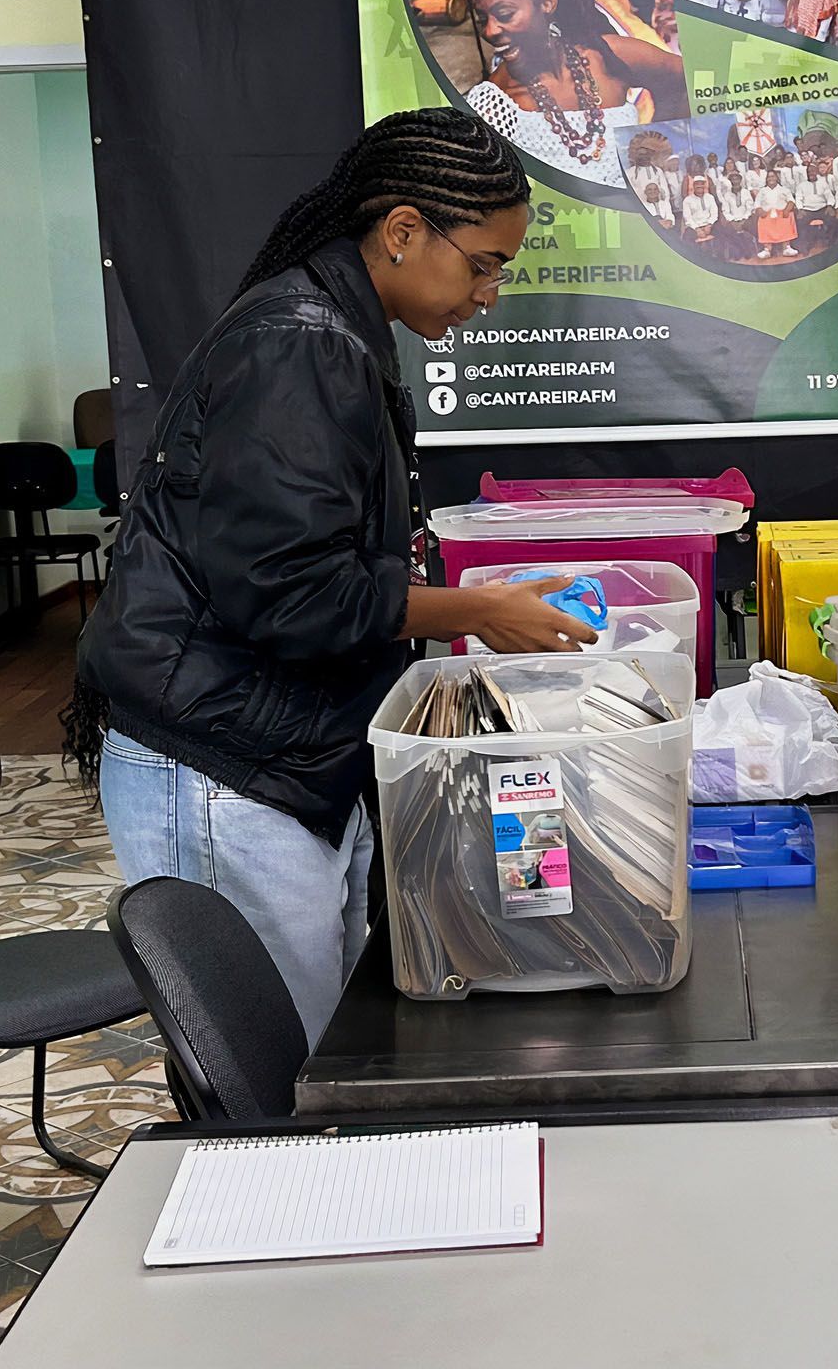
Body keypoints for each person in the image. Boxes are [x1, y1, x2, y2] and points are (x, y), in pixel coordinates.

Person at [64, 111, 598, 1043]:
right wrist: (478, 610)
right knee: (278, 1071)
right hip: (224, 761)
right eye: (482, 265)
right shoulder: (298, 343)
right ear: (402, 231)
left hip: (289, 750)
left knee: (336, 1047)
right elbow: (292, 593)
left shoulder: (337, 329)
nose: (489, 294)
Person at [465, 0, 686, 186]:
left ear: (547, 3)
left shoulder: (609, 56)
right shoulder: (491, 106)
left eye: (505, 14)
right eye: (483, 17)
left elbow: (690, 80)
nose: (489, 31)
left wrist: (664, 143)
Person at [717, 167, 756, 259]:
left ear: (740, 180)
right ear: (730, 181)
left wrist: (744, 219)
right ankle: (743, 250)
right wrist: (733, 221)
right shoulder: (727, 195)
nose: (735, 182)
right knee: (729, 231)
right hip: (733, 220)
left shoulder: (746, 192)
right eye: (733, 180)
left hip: (745, 219)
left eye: (737, 179)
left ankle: (743, 250)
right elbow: (726, 211)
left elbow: (750, 208)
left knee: (750, 227)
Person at [756, 176, 799, 259]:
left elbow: (791, 200)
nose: (771, 178)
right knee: (762, 220)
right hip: (767, 213)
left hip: (782, 212)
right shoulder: (762, 191)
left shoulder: (784, 189)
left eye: (773, 176)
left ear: (777, 178)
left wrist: (787, 210)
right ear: (766, 179)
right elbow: (757, 203)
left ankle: (786, 248)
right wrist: (760, 210)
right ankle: (767, 250)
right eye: (769, 177)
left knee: (788, 217)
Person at [681, 170, 719, 245]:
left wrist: (709, 225)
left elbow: (714, 214)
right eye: (697, 184)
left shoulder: (710, 197)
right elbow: (687, 218)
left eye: (701, 184)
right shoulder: (687, 200)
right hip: (694, 227)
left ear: (704, 185)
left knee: (722, 231)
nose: (699, 186)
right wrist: (697, 229)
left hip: (709, 225)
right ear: (693, 186)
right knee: (687, 238)